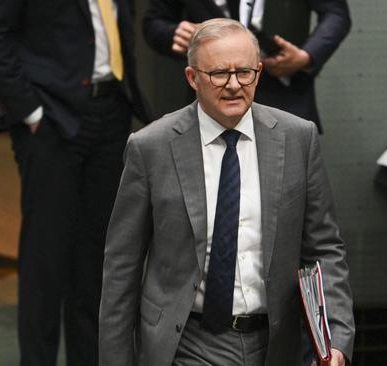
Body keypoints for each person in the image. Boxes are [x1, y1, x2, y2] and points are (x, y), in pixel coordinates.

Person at [99, 18, 354, 366]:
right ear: (192, 78)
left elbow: (323, 248)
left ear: (259, 73)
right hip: (187, 342)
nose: (234, 85)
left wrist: (335, 339)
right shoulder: (151, 148)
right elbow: (121, 268)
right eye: (219, 74)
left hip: (276, 344)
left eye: (245, 73)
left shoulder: (298, 139)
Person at [0, 0, 151, 364]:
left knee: (96, 260)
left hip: (110, 112)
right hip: (50, 118)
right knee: (45, 260)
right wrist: (30, 113)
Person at [142, 0, 350, 133]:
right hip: (211, 102)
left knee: (290, 194)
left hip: (282, 93)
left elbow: (336, 13)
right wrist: (175, 33)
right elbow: (154, 22)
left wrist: (306, 56)